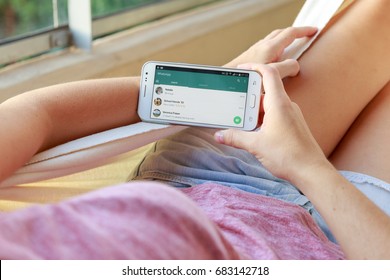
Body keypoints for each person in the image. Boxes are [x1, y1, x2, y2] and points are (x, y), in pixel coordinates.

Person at [0, 0, 389, 259]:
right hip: (340, 246)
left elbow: (38, 114)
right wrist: (308, 168)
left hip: (205, 181)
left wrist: (216, 83)